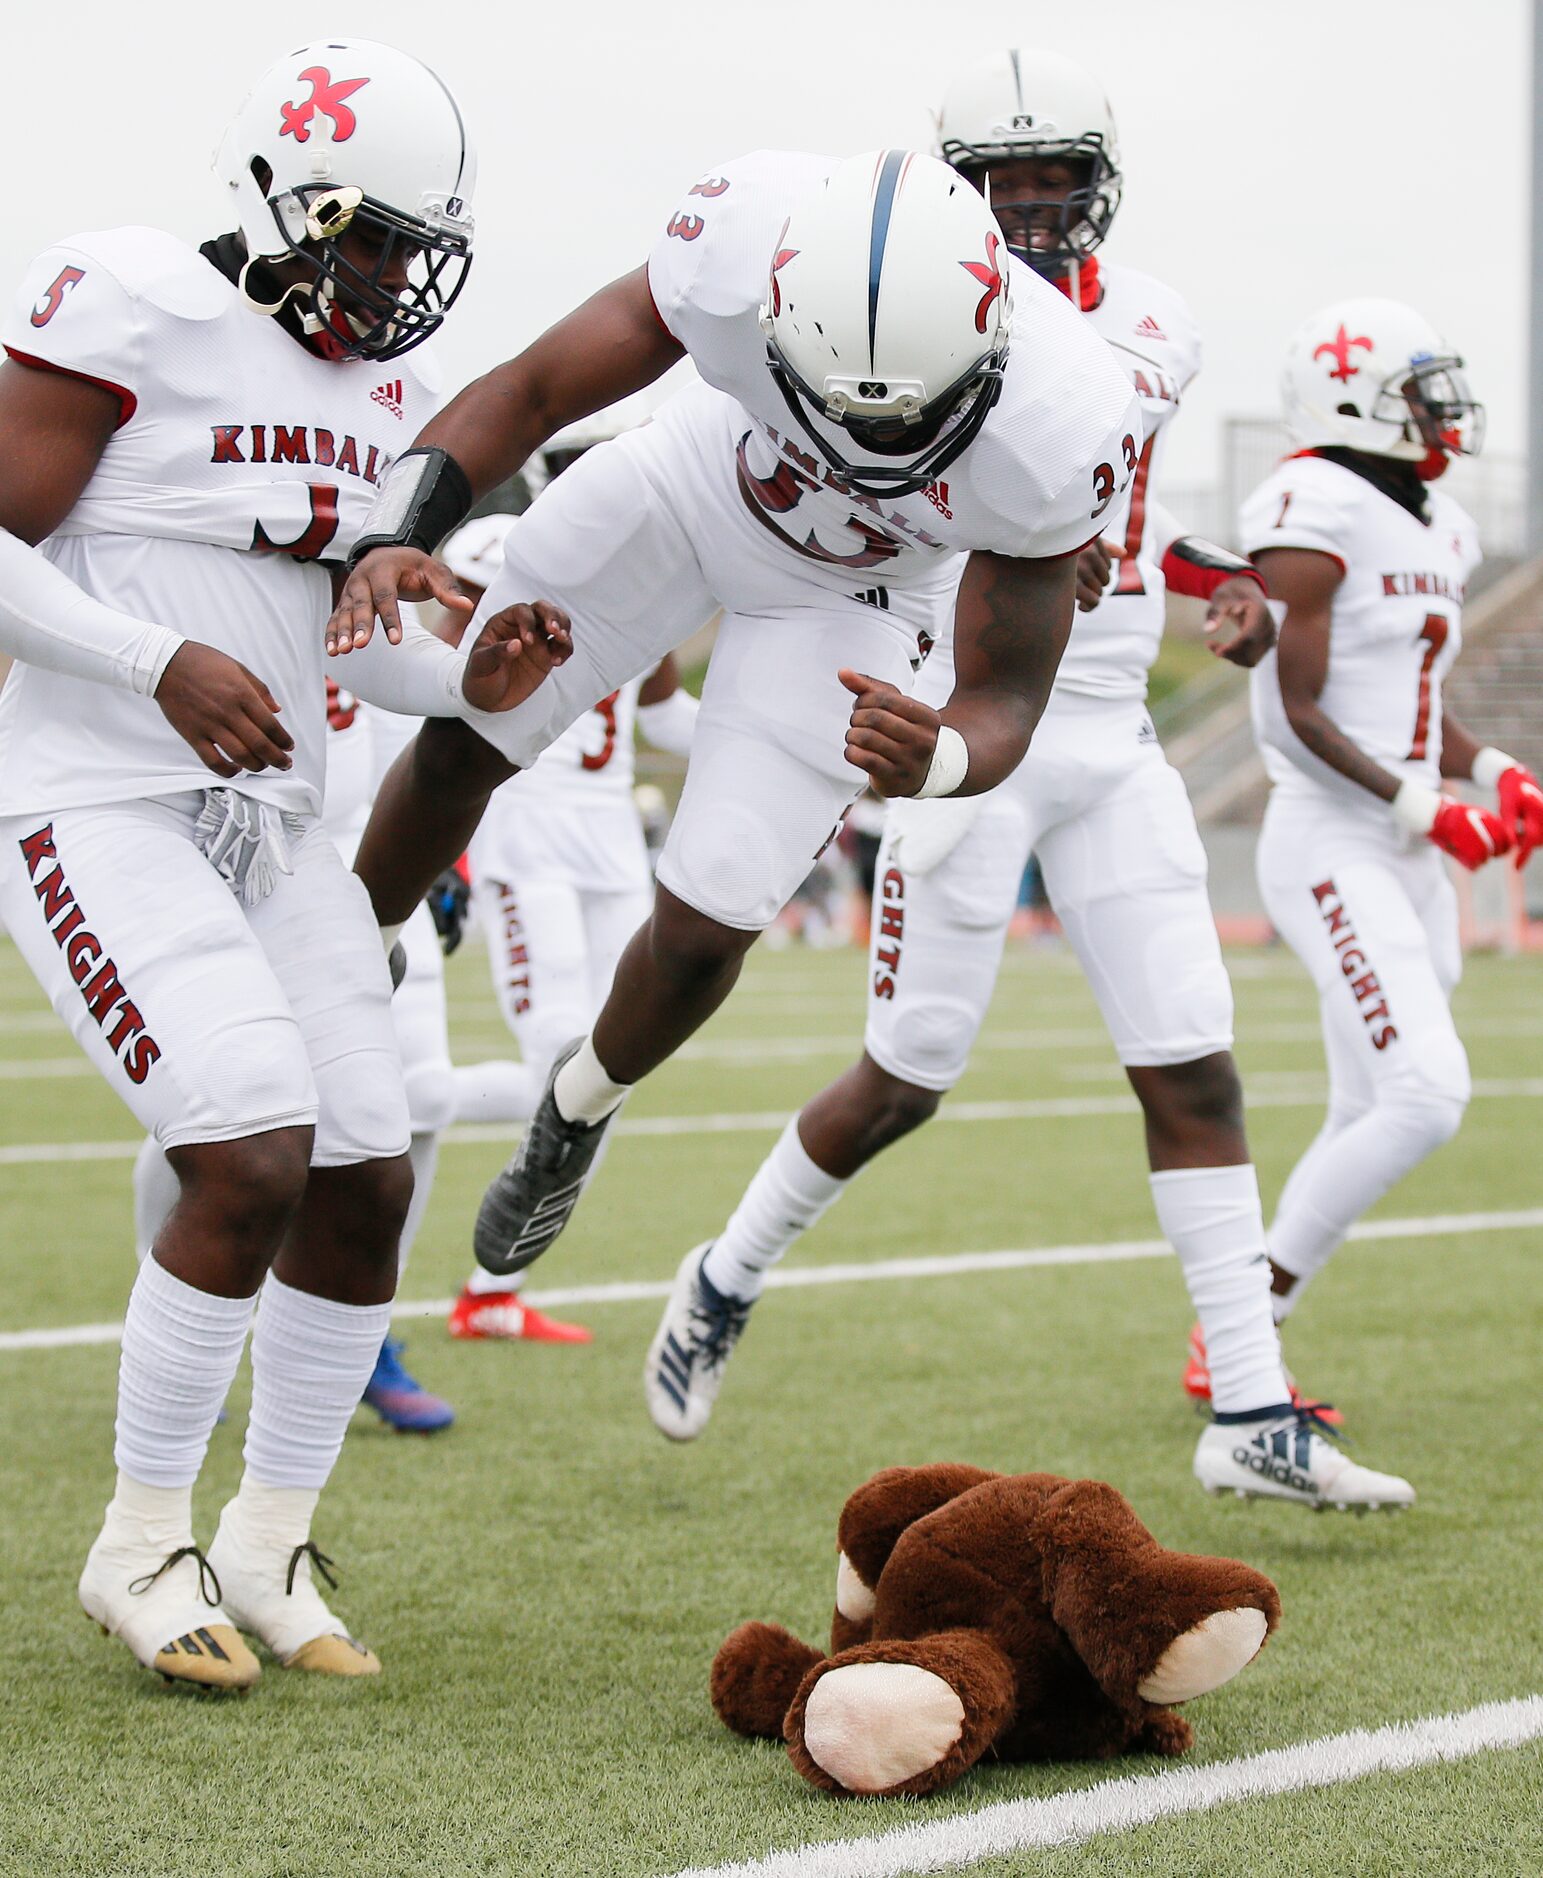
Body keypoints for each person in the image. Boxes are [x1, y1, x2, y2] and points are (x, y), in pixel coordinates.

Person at [637, 50, 1416, 1513]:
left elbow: (1129, 497)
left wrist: (1217, 582)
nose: (1028, 206)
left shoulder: (1152, 323)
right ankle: (723, 1272)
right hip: (970, 726)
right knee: (904, 1079)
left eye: (1051, 179)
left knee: (1190, 1058)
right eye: (1001, 182)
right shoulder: (906, 313)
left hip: (1110, 729)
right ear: (955, 190)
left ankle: (1246, 1405)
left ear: (1095, 182)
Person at [328, 146, 1146, 1301]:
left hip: (857, 595)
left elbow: (1007, 693)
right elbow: (533, 391)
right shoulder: (733, 245)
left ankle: (576, 1108)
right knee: (476, 725)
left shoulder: (1065, 421)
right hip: (693, 485)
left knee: (713, 917)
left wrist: (943, 754)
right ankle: (348, 952)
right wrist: (400, 523)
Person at [0, 39, 564, 1689]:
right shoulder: (129, 299)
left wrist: (475, 677)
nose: (391, 279)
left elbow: (353, 646)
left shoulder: (387, 400)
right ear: (280, 195)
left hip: (280, 822)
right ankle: (137, 1538)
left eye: (413, 248)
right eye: (367, 237)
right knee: (245, 1144)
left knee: (369, 1172)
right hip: (100, 798)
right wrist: (147, 662)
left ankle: (266, 1536)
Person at [1232, 297, 1542, 1367]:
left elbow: (1411, 700)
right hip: (1331, 836)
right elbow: (1290, 713)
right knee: (1425, 1095)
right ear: (1360, 398)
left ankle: (1243, 1325)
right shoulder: (1307, 506)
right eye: (1419, 390)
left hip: (1403, 841)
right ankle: (1242, 1321)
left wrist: (1494, 768)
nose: (1439, 410)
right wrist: (1421, 807)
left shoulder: (1439, 524)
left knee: (1371, 1098)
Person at [437, 495, 698, 1343]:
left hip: (610, 839)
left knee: (608, 1068)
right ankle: (392, 1107)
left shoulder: (663, 577)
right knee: (555, 1052)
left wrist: (805, 746)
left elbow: (661, 715)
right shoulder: (502, 550)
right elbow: (437, 666)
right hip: (524, 826)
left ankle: (490, 1287)